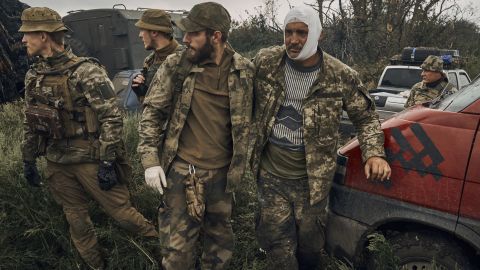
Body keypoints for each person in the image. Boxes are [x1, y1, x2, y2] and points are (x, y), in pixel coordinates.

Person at [250, 6, 391, 270]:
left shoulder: (340, 75)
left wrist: (374, 152)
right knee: (278, 250)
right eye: (288, 32)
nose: (293, 39)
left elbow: (366, 117)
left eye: (301, 33)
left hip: (313, 183)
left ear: (318, 34)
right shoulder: (266, 62)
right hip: (271, 177)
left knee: (310, 249)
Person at [19, 7, 158, 270]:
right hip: (57, 161)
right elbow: (30, 120)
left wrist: (107, 162)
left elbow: (111, 118)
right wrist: (28, 159)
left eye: (28, 34)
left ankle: (168, 254)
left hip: (90, 159)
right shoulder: (33, 76)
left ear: (44, 35)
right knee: (77, 222)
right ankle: (96, 266)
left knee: (124, 215)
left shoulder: (86, 72)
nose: (23, 40)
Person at [137, 2, 254, 269]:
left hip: (223, 179)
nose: (185, 39)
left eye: (193, 33)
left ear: (216, 36)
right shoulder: (177, 64)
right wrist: (150, 162)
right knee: (177, 255)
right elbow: (152, 112)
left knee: (219, 252)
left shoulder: (244, 71)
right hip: (181, 175)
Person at [132, 9, 181, 103]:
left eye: (142, 30)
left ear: (154, 32)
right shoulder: (149, 61)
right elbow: (150, 107)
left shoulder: (183, 58)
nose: (140, 35)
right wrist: (141, 93)